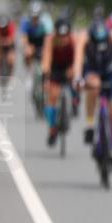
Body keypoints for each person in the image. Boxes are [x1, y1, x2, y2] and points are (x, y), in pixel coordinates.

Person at [74, 20, 112, 172]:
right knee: (93, 86)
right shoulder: (84, 37)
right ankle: (89, 124)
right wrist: (78, 77)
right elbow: (78, 59)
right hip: (93, 69)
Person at [40, 18, 77, 146]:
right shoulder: (50, 40)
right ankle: (52, 129)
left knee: (75, 80)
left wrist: (74, 70)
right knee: (53, 95)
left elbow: (78, 59)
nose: (63, 38)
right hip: (55, 69)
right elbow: (46, 59)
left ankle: (75, 101)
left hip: (69, 67)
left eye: (65, 35)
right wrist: (46, 76)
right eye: (60, 35)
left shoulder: (74, 40)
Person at [19, 0, 54, 95]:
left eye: (37, 16)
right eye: (33, 16)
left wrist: (46, 50)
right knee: (28, 52)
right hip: (31, 41)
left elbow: (49, 38)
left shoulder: (46, 20)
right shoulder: (25, 20)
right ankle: (29, 74)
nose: (35, 18)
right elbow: (24, 37)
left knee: (48, 58)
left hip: (43, 42)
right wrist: (27, 47)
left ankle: (47, 79)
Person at [0, 14, 17, 80]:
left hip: (10, 45)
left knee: (11, 58)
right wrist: (2, 42)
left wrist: (6, 42)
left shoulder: (11, 26)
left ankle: (11, 75)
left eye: (4, 27)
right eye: (2, 27)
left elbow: (12, 40)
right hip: (0, 43)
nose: (3, 29)